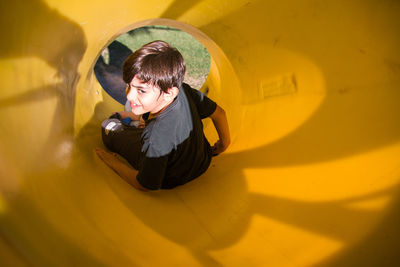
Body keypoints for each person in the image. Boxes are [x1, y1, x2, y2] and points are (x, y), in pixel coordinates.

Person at [95, 40, 230, 191]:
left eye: (141, 90)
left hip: (170, 177)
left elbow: (145, 184)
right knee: (143, 109)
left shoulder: (157, 137)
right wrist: (223, 145)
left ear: (169, 93)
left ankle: (127, 120)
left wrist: (112, 163)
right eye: (129, 86)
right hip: (202, 160)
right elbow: (219, 113)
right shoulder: (183, 90)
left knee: (108, 126)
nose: (130, 96)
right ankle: (136, 119)